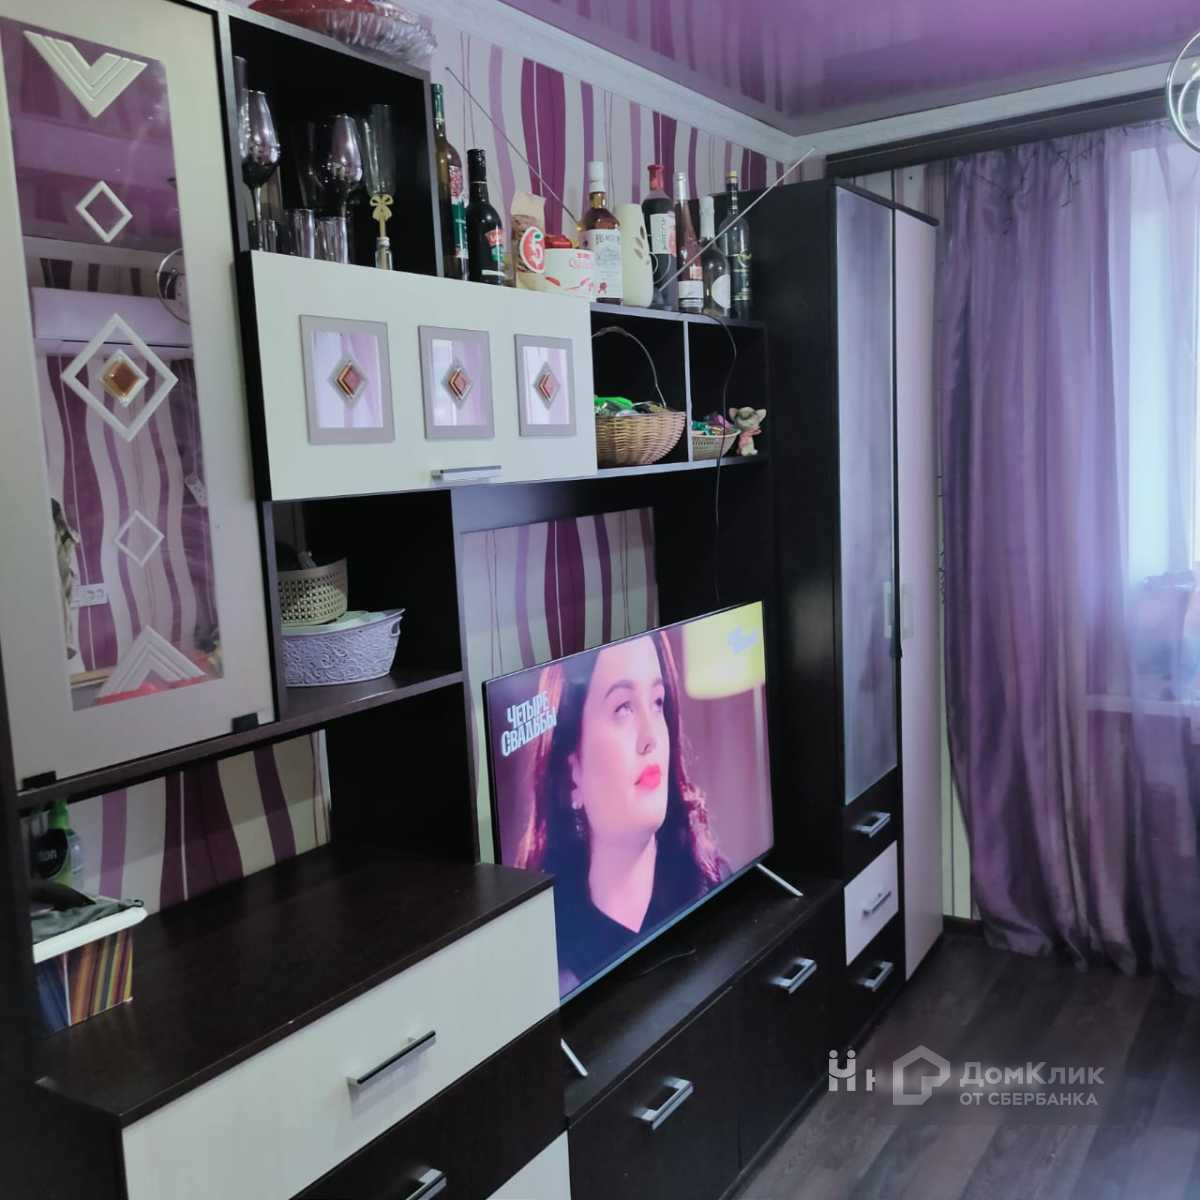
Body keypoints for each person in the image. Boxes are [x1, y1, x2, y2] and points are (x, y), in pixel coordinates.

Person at [516, 631, 728, 994]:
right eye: (624, 708)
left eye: (658, 703)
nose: (651, 737)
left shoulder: (714, 883)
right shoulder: (546, 963)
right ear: (571, 777)